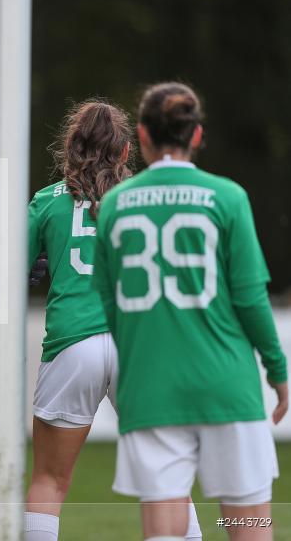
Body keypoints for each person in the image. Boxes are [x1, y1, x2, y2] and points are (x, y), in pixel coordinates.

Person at [92, 82, 288, 541]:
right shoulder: (228, 197)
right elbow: (250, 299)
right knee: (248, 526)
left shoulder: (115, 204)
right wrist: (278, 371)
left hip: (152, 390)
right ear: (196, 135)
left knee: (164, 530)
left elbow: (109, 302)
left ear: (142, 135)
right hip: (227, 387)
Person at [24, 101, 203, 541]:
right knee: (168, 481)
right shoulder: (148, 199)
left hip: (72, 343)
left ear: (71, 147)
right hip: (137, 344)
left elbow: (11, 273)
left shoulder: (46, 201)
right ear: (125, 151)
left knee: (49, 481)